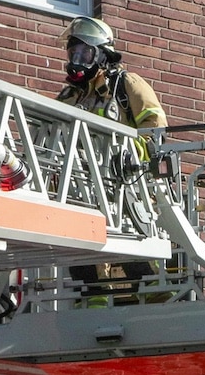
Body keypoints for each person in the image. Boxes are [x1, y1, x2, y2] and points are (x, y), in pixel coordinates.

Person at [55, 16, 168, 298]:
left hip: (127, 184)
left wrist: (131, 157)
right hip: (82, 185)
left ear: (102, 54)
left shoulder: (126, 84)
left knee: (135, 252)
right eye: (74, 53)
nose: (77, 59)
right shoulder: (69, 96)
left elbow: (154, 127)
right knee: (83, 257)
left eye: (85, 53)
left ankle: (155, 298)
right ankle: (93, 304)